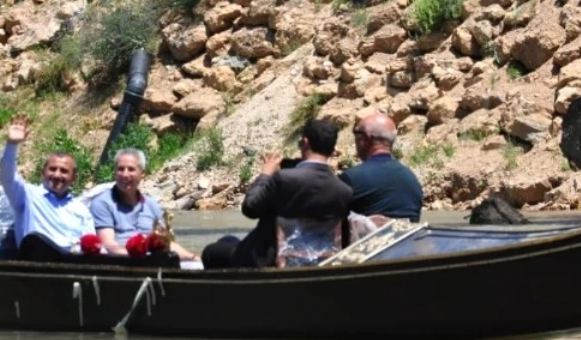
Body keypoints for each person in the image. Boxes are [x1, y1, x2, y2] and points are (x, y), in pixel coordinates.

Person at [201, 119, 353, 269]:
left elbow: (250, 208)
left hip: (267, 260)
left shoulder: (284, 179)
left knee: (210, 252)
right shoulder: (344, 190)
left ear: (305, 143)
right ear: (333, 150)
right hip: (315, 260)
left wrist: (265, 174)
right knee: (228, 240)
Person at [0, 115, 96, 262]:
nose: (57, 175)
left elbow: (91, 245)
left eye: (64, 171)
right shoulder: (27, 195)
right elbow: (7, 176)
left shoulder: (81, 210)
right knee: (36, 241)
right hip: (37, 262)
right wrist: (12, 144)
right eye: (52, 169)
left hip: (70, 265)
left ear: (74, 178)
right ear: (42, 172)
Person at [89, 148, 198, 262]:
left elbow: (168, 244)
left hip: (155, 262)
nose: (125, 174)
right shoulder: (102, 204)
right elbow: (109, 246)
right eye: (120, 169)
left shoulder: (151, 205)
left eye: (131, 169)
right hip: (122, 264)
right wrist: (146, 257)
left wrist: (194, 258)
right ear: (115, 172)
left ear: (142, 174)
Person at [341, 112, 424, 222]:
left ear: (366, 137)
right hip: (407, 238)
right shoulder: (412, 180)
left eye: (356, 132)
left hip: (367, 239)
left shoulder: (350, 179)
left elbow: (324, 224)